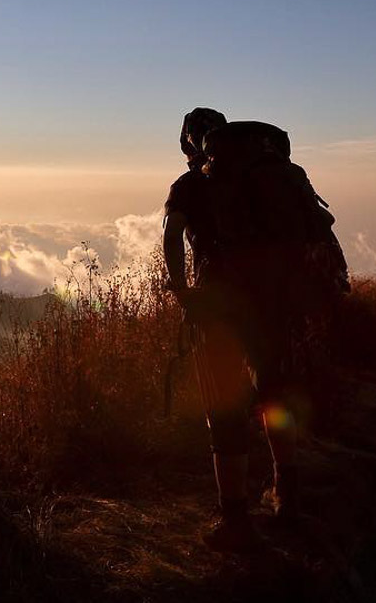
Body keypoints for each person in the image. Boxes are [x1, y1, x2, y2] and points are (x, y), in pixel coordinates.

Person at [163, 107, 302, 552]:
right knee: (273, 394)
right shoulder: (264, 177)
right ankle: (287, 494)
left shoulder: (189, 185)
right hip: (271, 301)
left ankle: (235, 518)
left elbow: (172, 235)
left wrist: (183, 291)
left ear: (188, 143)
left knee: (224, 408)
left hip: (218, 306)